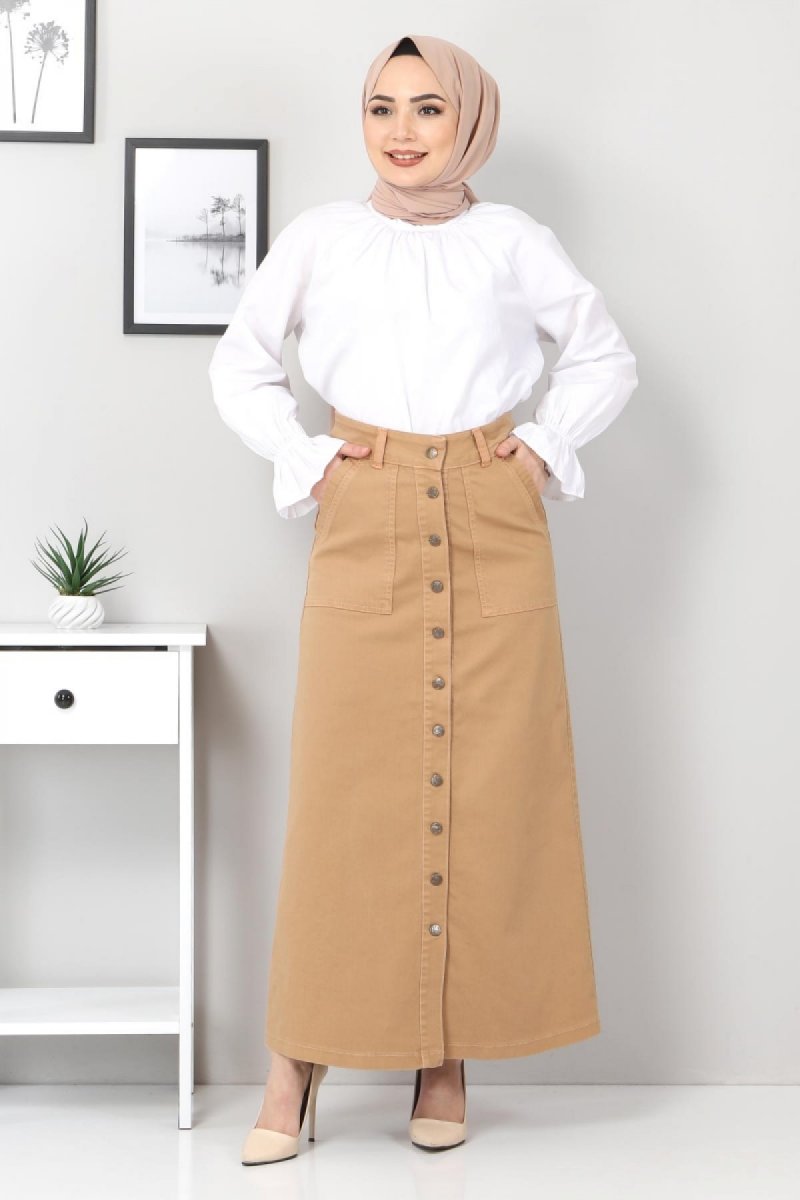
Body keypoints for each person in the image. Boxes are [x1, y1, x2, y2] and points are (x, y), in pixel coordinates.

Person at [208, 33, 638, 1165]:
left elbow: (603, 357)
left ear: (469, 123)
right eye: (381, 107)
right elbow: (240, 362)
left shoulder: (512, 241)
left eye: (428, 108)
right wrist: (305, 459)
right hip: (367, 505)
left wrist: (541, 448)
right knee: (342, 801)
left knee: (488, 790)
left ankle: (442, 1059)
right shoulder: (320, 238)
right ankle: (295, 1061)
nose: (401, 131)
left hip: (493, 512)